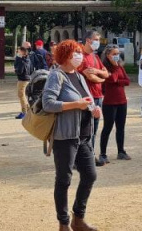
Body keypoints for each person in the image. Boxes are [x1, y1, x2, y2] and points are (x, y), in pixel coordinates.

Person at [41, 40, 101, 231]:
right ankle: (63, 223)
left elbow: (86, 100)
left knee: (90, 175)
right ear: (66, 55)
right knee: (63, 180)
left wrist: (93, 109)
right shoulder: (56, 76)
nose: (79, 55)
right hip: (65, 136)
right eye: (76, 52)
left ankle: (78, 218)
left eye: (80, 52)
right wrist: (76, 105)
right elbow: (48, 103)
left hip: (83, 136)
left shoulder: (79, 76)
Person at [97, 46, 130, 166]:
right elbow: (111, 78)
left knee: (121, 127)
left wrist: (118, 81)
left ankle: (121, 151)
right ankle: (103, 154)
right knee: (107, 128)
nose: (117, 55)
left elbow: (127, 81)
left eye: (118, 53)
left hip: (122, 101)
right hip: (110, 103)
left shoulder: (119, 66)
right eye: (114, 53)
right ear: (108, 55)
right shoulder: (105, 68)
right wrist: (114, 71)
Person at [78, 31, 108, 150]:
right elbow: (90, 77)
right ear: (88, 40)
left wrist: (97, 72)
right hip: (86, 97)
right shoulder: (80, 57)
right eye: (96, 40)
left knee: (94, 129)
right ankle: (81, 157)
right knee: (84, 129)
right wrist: (102, 79)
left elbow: (105, 73)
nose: (98, 42)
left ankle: (91, 154)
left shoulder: (95, 57)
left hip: (98, 96)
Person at [14, 46, 33, 119]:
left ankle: (24, 112)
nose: (17, 52)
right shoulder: (28, 59)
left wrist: (16, 70)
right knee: (23, 95)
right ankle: (27, 110)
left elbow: (19, 70)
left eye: (18, 51)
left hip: (22, 79)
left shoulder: (22, 60)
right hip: (27, 78)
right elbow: (31, 69)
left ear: (22, 52)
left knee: (21, 95)